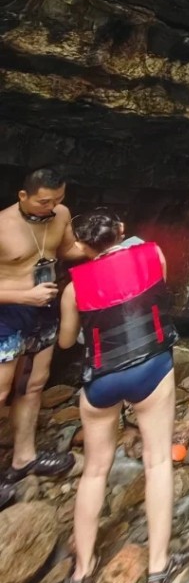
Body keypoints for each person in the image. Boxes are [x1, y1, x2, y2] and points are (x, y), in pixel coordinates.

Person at [58, 209, 189, 583]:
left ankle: (82, 574)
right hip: (150, 366)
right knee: (156, 463)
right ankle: (157, 569)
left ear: (82, 246)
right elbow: (155, 296)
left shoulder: (73, 287)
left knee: (94, 472)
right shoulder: (153, 255)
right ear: (121, 231)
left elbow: (67, 342)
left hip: (101, 377)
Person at [0, 168, 87, 492]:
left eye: (58, 199)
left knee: (33, 385)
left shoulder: (60, 214)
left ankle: (24, 458)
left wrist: (100, 244)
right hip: (8, 311)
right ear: (23, 196)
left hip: (45, 306)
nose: (50, 207)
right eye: (43, 202)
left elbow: (66, 251)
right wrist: (23, 295)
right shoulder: (3, 225)